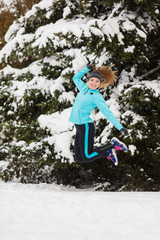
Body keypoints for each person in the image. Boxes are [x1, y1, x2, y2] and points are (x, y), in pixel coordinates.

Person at [69, 64, 128, 166]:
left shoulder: (97, 96)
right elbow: (76, 77)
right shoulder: (83, 88)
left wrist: (120, 127)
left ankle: (112, 144)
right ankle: (107, 153)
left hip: (85, 126)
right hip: (78, 125)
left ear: (100, 84)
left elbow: (107, 113)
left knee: (87, 156)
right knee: (80, 158)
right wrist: (86, 69)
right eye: (92, 80)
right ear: (88, 80)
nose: (94, 83)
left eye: (97, 81)